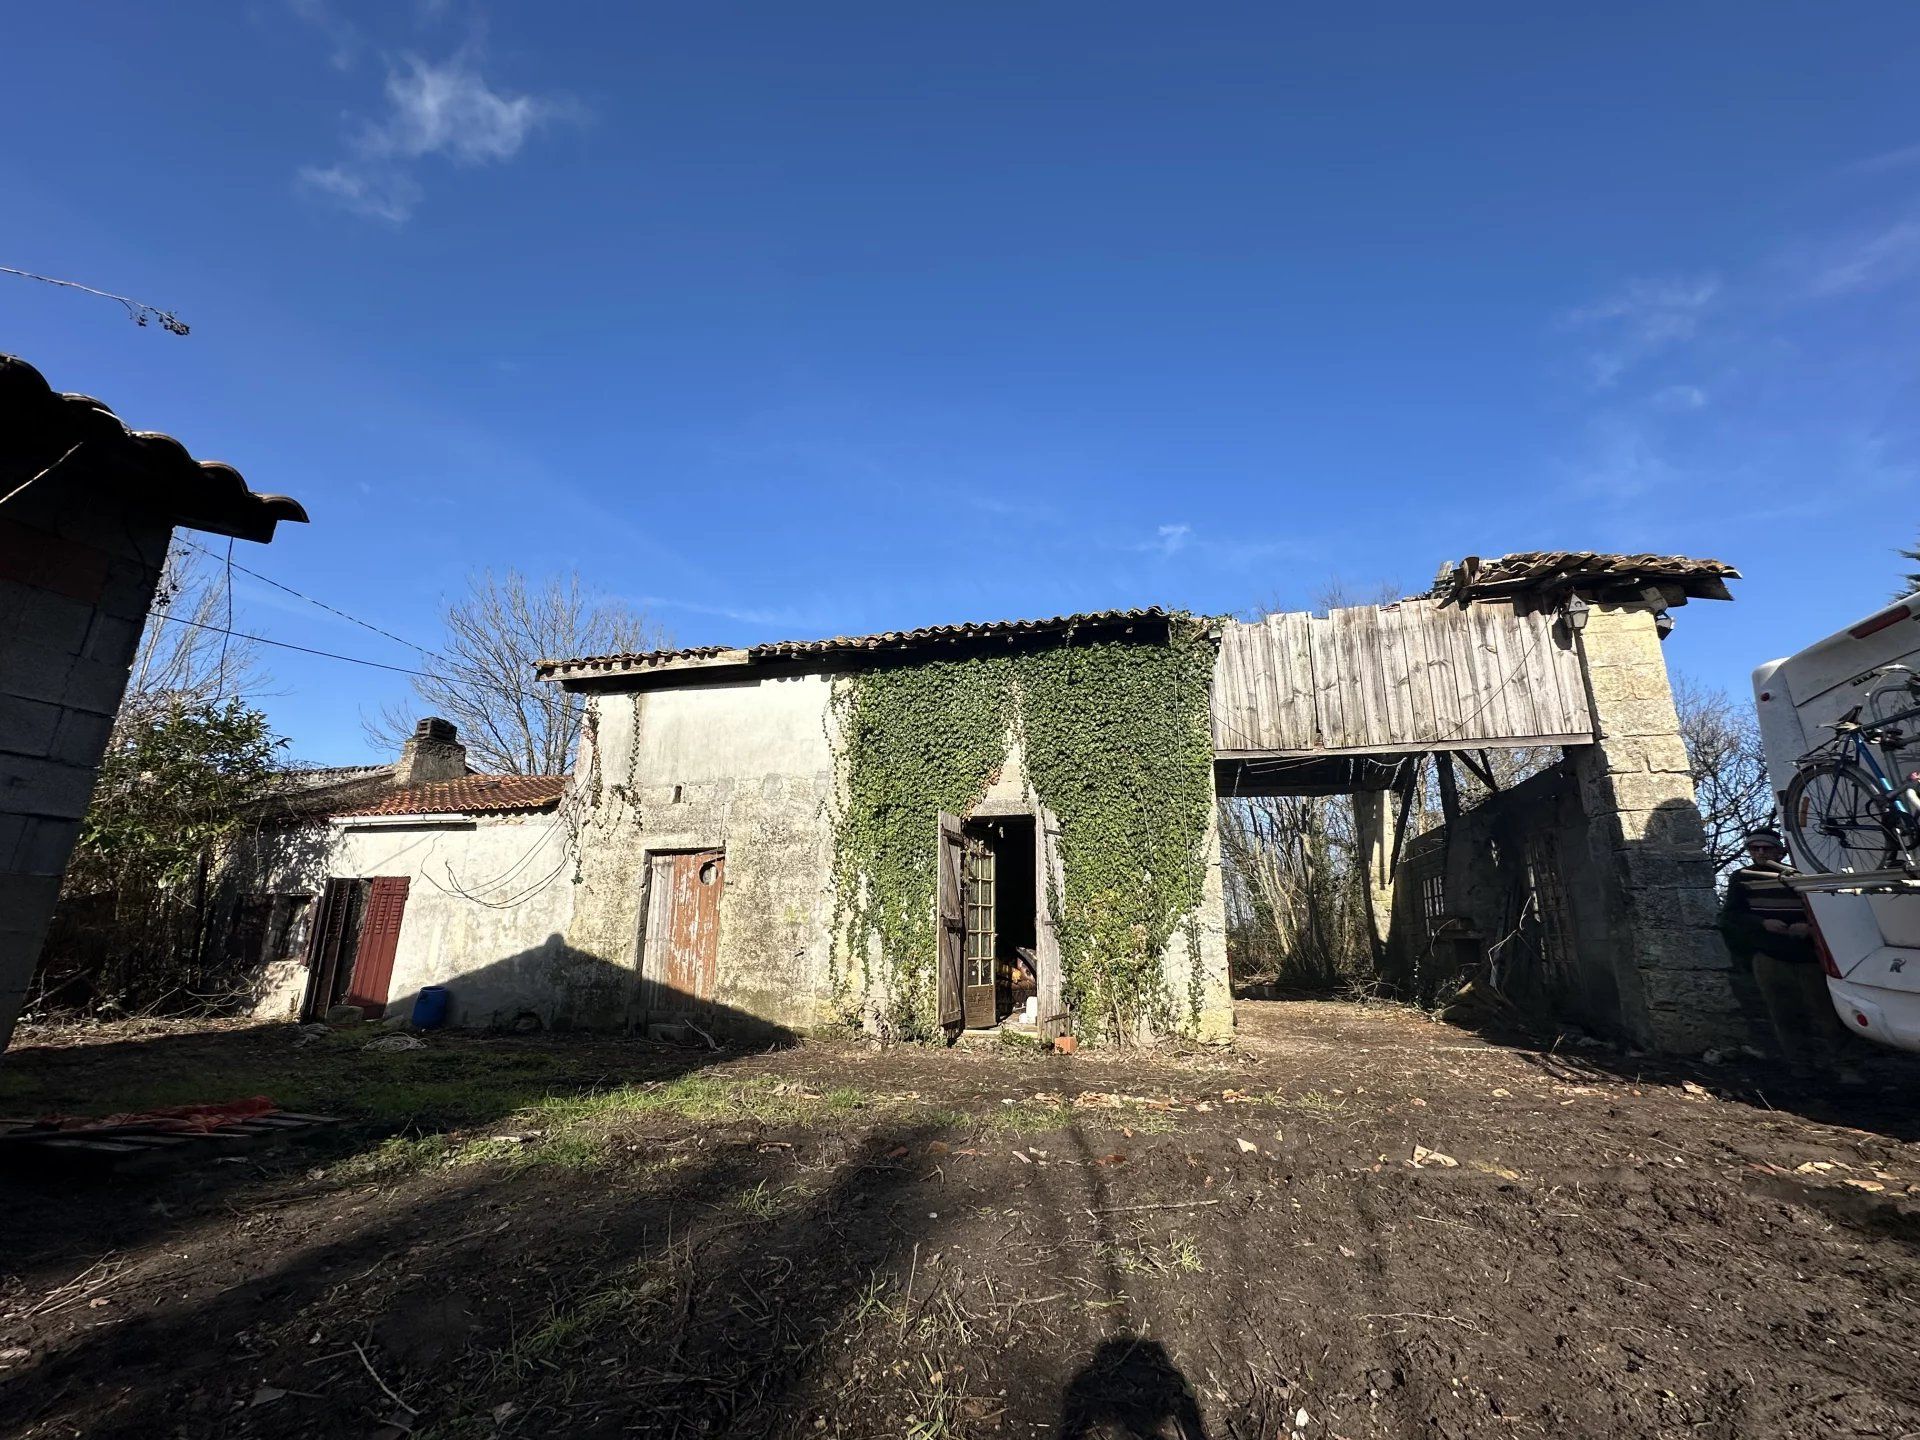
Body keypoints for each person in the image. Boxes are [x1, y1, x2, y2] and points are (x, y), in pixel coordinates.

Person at [1718, 826, 1851, 1076]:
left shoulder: (1801, 875)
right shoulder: (1742, 878)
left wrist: (1810, 928)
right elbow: (1733, 916)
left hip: (1808, 956)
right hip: (1770, 955)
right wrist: (1762, 924)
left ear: (1780, 851)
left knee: (1827, 1015)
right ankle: (1801, 1066)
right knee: (1784, 1015)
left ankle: (1845, 1066)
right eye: (1754, 848)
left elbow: (1830, 910)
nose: (1759, 852)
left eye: (1766, 848)